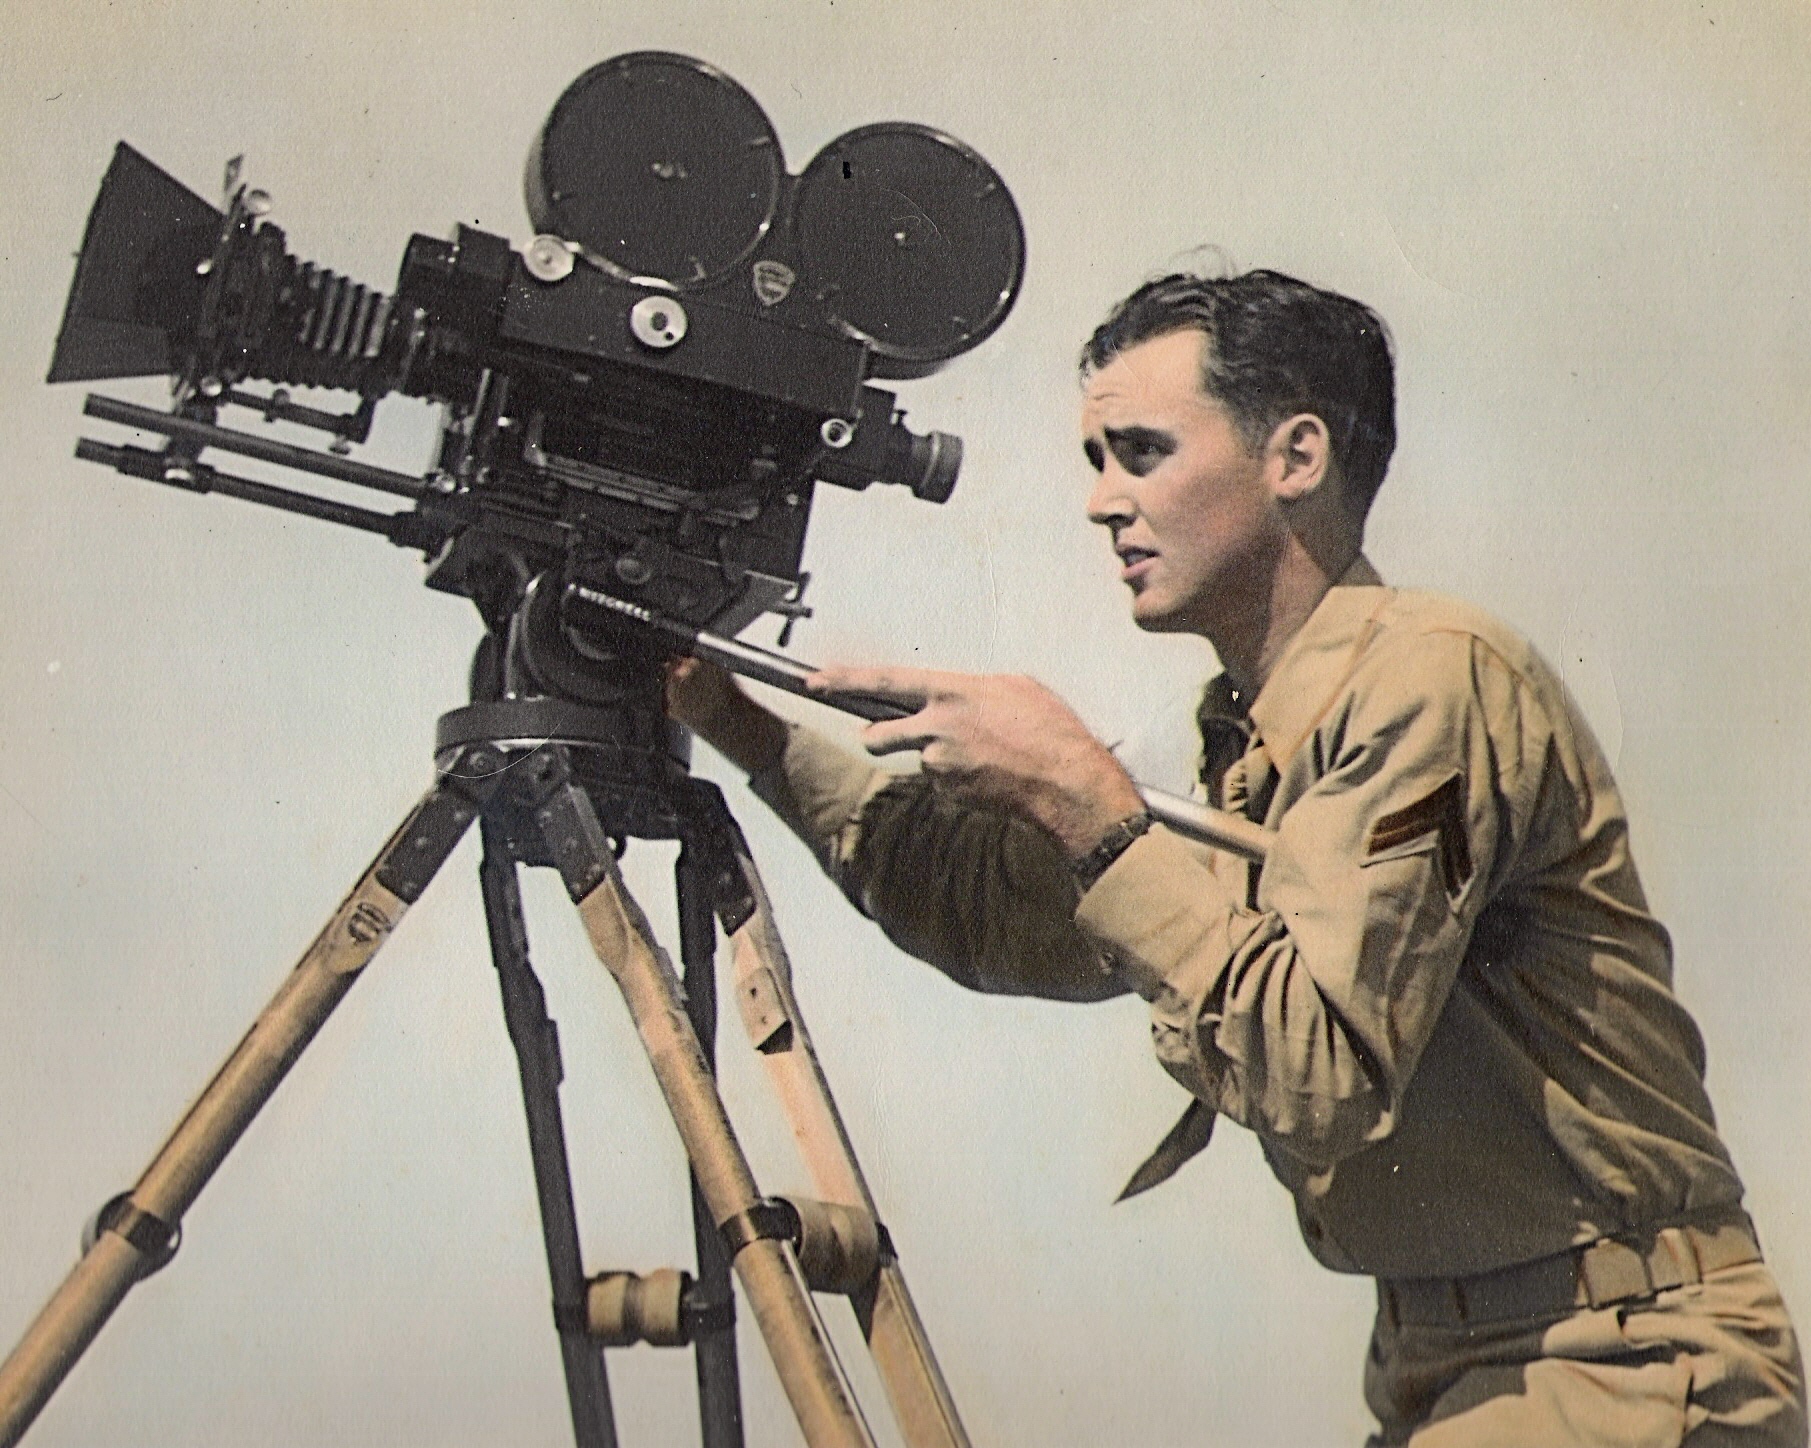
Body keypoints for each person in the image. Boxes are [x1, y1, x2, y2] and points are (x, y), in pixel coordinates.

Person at [667, 269, 1807, 1445]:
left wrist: (1084, 797)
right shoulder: (1242, 740)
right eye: (1093, 460)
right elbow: (981, 904)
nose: (1102, 501)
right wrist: (730, 716)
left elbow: (1315, 1073)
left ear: (1294, 457)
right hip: (1455, 1365)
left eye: (1140, 451)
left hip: (1621, 1362)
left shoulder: (1432, 676)